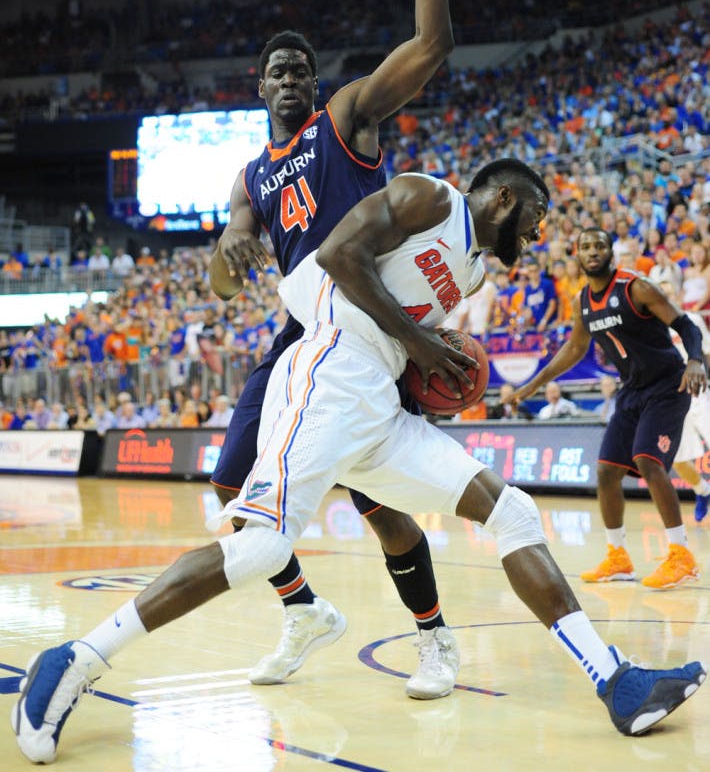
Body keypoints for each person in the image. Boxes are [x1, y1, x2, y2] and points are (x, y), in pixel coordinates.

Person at [12, 161, 707, 767]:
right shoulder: (428, 198)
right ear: (502, 199)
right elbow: (344, 257)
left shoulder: (467, 272)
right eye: (533, 220)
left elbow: (401, 330)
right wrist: (424, 344)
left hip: (378, 407)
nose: (533, 238)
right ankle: (76, 657)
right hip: (326, 375)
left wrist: (429, 355)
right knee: (262, 546)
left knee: (512, 508)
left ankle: (616, 683)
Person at [207, 0, 459, 698]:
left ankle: (435, 642)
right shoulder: (249, 173)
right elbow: (230, 251)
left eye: (301, 70)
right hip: (298, 335)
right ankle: (305, 611)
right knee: (233, 485)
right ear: (259, 85)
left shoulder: (346, 118)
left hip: (365, 328)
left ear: (315, 85)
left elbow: (432, 43)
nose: (290, 78)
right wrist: (231, 245)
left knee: (377, 504)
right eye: (277, 70)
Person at [512, 227, 707, 590]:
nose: (592, 251)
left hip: (668, 386)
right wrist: (532, 385)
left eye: (599, 245)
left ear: (610, 253)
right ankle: (618, 557)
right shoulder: (583, 300)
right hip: (632, 391)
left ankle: (681, 556)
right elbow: (573, 350)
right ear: (577, 254)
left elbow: (685, 325)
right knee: (605, 472)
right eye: (585, 246)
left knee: (648, 461)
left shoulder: (637, 287)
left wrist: (695, 359)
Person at [657, 281, 710, 522]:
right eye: (661, 294)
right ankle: (703, 491)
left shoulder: (691, 320)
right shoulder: (652, 329)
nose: (666, 298)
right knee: (678, 458)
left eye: (669, 293)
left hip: (699, 391)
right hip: (671, 397)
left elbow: (706, 351)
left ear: (678, 295)